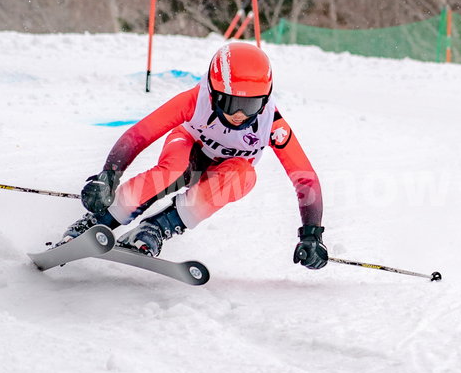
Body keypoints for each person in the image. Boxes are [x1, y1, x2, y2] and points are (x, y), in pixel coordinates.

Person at [59, 40, 327, 269]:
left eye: (251, 105)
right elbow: (140, 134)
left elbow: (305, 179)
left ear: (265, 99)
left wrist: (312, 233)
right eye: (231, 102)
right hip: (187, 148)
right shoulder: (194, 100)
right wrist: (108, 175)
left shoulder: (273, 125)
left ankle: (157, 227)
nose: (239, 115)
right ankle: (101, 219)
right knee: (174, 170)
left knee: (245, 176)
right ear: (212, 92)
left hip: (222, 171)